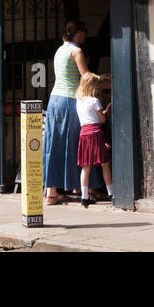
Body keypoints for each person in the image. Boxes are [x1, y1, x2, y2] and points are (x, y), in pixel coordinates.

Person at [42, 19, 107, 204]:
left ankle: (51, 192)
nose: (84, 38)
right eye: (83, 34)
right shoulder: (76, 51)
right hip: (71, 101)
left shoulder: (60, 50)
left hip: (55, 101)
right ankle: (89, 188)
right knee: (83, 142)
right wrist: (101, 79)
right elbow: (85, 76)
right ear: (78, 33)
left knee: (54, 144)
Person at [75, 72, 112, 208]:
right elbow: (101, 120)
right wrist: (104, 113)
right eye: (98, 87)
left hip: (84, 134)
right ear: (92, 87)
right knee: (105, 164)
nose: (99, 90)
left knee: (86, 167)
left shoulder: (79, 101)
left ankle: (84, 197)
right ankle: (111, 193)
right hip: (96, 133)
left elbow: (88, 118)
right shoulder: (95, 101)